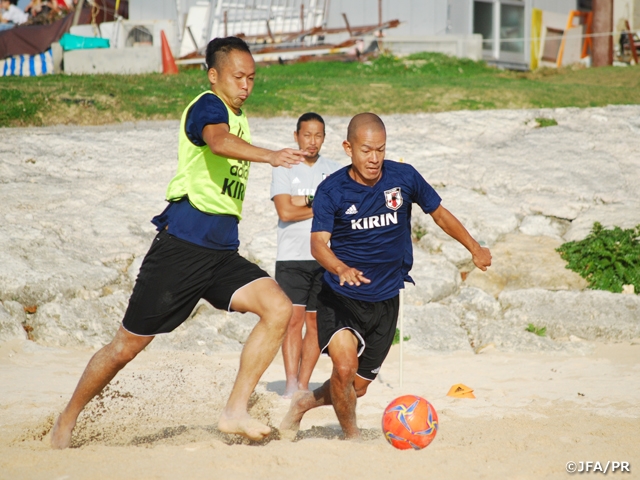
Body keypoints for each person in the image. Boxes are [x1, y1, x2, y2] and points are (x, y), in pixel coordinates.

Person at [50, 36, 308, 449]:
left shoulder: (239, 117)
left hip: (222, 253)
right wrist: (271, 156)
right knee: (125, 347)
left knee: (278, 308)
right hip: (182, 247)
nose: (246, 85)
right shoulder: (209, 106)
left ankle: (234, 411)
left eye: (252, 78)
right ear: (214, 75)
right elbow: (218, 142)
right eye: (238, 77)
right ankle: (67, 420)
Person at [280, 112, 492, 439]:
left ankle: (303, 404)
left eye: (381, 149)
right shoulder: (332, 189)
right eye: (367, 150)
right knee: (344, 369)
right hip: (340, 298)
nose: (375, 158)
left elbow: (439, 213)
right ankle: (351, 437)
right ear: (348, 148)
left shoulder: (403, 177)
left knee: (356, 388)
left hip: (386, 300)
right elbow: (318, 245)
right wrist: (340, 268)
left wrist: (474, 247)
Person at [270, 112, 341, 398]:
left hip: (324, 256)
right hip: (291, 256)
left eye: (319, 135)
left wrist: (303, 201)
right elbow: (285, 211)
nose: (313, 141)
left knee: (314, 322)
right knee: (292, 321)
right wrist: (320, 202)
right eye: (307, 134)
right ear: (296, 135)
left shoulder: (336, 170)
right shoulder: (284, 166)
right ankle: (289, 384)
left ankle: (302, 384)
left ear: (324, 137)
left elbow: (340, 211)